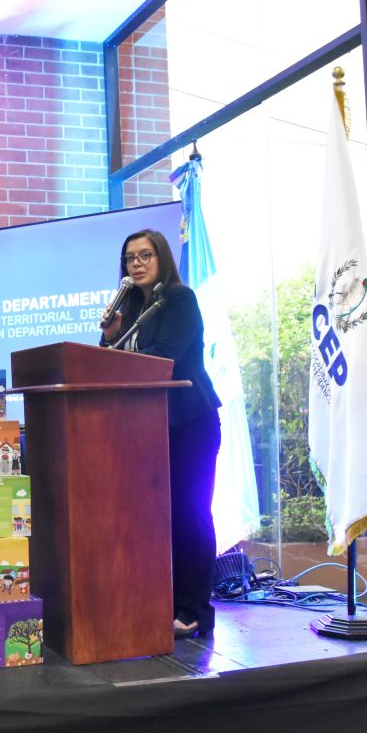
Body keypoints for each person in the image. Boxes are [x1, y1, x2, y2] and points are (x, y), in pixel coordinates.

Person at [100, 229, 222, 639]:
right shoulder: (130, 308)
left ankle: (194, 610)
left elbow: (167, 356)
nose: (135, 263)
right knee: (154, 518)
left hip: (189, 424)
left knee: (190, 514)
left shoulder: (179, 299)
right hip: (145, 428)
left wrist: (122, 350)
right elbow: (104, 363)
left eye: (145, 255)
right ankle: (158, 601)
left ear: (161, 258)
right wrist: (111, 336)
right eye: (129, 257)